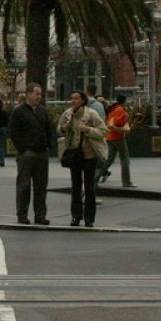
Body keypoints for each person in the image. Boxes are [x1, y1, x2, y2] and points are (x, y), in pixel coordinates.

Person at [58, 90, 108, 226]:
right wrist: (63, 128)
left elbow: (103, 131)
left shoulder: (91, 114)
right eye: (72, 98)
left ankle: (89, 218)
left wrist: (87, 129)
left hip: (89, 154)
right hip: (74, 154)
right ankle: (76, 216)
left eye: (76, 98)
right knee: (75, 186)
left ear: (83, 100)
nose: (73, 101)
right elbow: (59, 129)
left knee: (89, 187)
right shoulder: (67, 114)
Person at [8, 82, 52, 225]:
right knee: (24, 186)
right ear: (28, 94)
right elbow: (13, 132)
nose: (39, 96)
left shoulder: (42, 111)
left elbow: (48, 129)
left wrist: (47, 146)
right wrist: (22, 149)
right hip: (27, 152)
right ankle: (22, 214)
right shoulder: (19, 111)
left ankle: (40, 215)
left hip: (41, 152)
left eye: (40, 94)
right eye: (36, 93)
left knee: (41, 186)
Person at [99, 94, 135, 187]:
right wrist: (126, 119)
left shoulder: (112, 108)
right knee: (125, 159)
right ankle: (126, 181)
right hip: (118, 136)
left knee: (109, 159)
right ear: (124, 101)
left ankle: (95, 176)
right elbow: (118, 122)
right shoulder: (120, 109)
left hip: (109, 136)